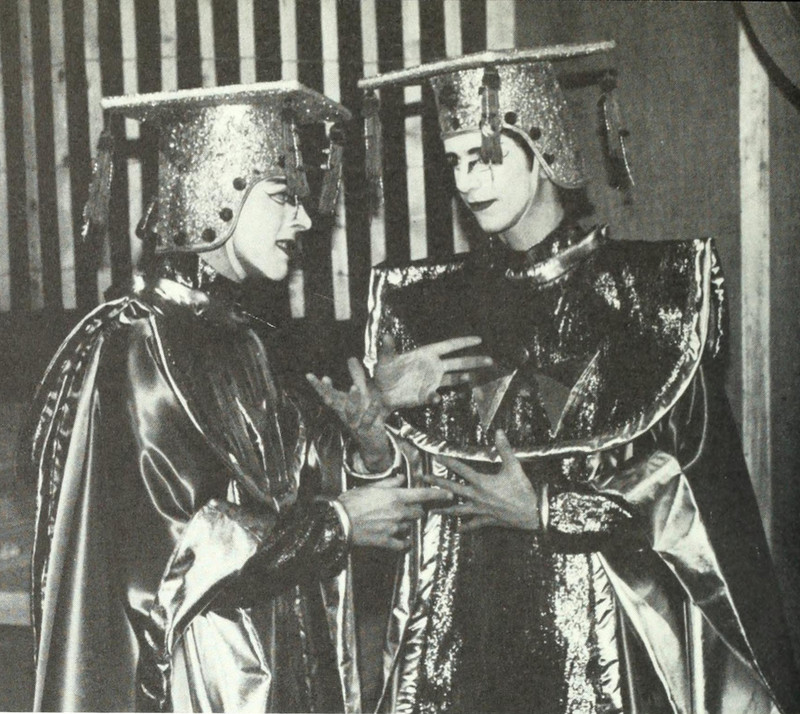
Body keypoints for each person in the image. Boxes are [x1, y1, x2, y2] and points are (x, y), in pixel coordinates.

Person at [351, 45, 800, 713]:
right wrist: (374, 440)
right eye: (455, 162)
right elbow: (411, 504)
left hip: (606, 653)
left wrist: (549, 510)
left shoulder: (652, 299)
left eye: (486, 157)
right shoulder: (428, 309)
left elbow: (697, 501)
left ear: (544, 149)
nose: (468, 181)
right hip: (463, 644)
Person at [19, 81, 452, 713]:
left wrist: (367, 437)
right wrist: (337, 524)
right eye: (281, 196)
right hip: (201, 684)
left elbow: (286, 494)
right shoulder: (137, 342)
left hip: (273, 667)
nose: (304, 219)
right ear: (216, 193)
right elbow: (180, 550)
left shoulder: (236, 338)